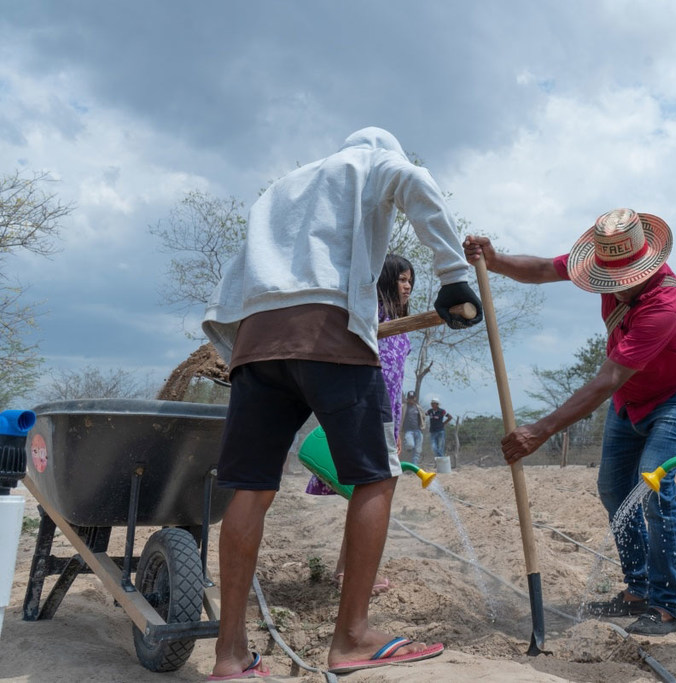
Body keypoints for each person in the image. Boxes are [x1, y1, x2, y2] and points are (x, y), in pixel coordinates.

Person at [201, 127, 482, 678]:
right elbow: (415, 181)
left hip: (257, 342)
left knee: (251, 489)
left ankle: (230, 655)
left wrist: (230, 341)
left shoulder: (283, 187)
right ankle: (351, 636)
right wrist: (453, 276)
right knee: (377, 474)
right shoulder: (370, 164)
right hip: (330, 333)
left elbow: (243, 268)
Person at [464, 208, 676, 636]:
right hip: (629, 401)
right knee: (614, 487)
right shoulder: (602, 265)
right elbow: (544, 268)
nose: (612, 286)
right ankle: (637, 589)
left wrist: (539, 430)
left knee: (653, 484)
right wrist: (497, 259)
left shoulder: (665, 304)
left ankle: (666, 605)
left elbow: (608, 377)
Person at [304, 253, 417, 595]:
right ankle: (354, 575)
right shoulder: (369, 322)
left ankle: (346, 570)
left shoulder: (402, 328)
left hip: (386, 419)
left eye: (411, 279)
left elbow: (396, 387)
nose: (408, 285)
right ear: (384, 283)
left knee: (368, 495)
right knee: (370, 493)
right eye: (401, 279)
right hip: (363, 414)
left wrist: (395, 428)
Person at [400, 391, 427, 466]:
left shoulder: (418, 407)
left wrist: (423, 426)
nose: (411, 399)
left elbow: (423, 417)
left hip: (418, 430)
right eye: (409, 398)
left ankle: (414, 467)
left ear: (415, 398)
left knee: (417, 451)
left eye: (412, 398)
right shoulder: (403, 407)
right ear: (407, 398)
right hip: (408, 431)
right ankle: (407, 449)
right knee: (410, 445)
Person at [425, 397, 452, 463]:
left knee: (440, 447)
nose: (432, 405)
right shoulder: (430, 411)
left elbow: (450, 417)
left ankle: (440, 462)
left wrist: (444, 423)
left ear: (437, 404)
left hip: (440, 431)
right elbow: (423, 415)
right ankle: (442, 459)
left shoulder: (442, 411)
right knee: (433, 447)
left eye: (434, 403)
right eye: (432, 403)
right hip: (432, 431)